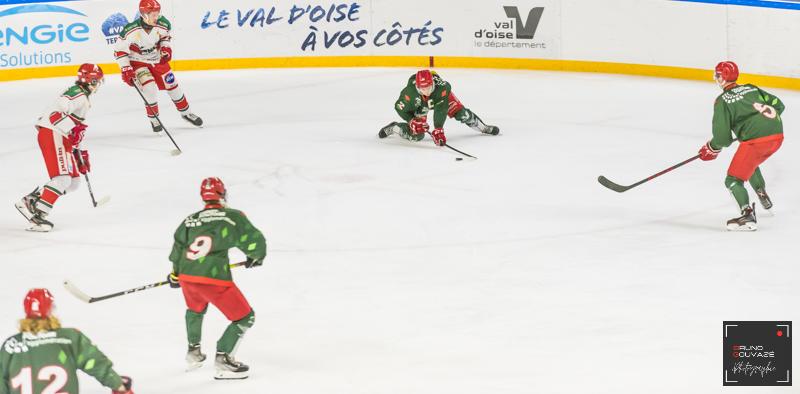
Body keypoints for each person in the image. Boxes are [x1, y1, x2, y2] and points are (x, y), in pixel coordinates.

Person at [167, 177, 267, 380]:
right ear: (223, 194)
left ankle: (193, 352)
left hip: (187, 276)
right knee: (244, 317)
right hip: (213, 279)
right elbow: (253, 239)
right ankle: (224, 358)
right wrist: (255, 257)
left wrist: (175, 274)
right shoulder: (231, 217)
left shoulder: (190, 220)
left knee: (195, 310)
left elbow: (178, 248)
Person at [14, 64, 104, 232]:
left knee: (73, 183)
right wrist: (72, 128)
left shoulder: (83, 96)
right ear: (91, 80)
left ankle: (33, 200)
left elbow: (77, 131)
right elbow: (58, 112)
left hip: (59, 136)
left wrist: (81, 156)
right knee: (62, 179)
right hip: (52, 133)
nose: (98, 84)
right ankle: (38, 215)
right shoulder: (78, 95)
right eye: (97, 80)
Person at [698, 61, 785, 231]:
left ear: (722, 78)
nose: (716, 78)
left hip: (756, 142)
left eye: (718, 75)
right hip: (777, 135)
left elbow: (722, 138)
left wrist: (711, 147)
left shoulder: (722, 101)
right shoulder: (752, 88)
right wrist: (761, 124)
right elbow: (779, 105)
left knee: (733, 180)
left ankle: (747, 215)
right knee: (750, 163)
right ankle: (761, 192)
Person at [0, 289, 133, 394]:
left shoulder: (11, 345)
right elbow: (95, 363)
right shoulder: (69, 338)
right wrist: (118, 385)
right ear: (51, 310)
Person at [114, 0, 203, 133]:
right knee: (149, 88)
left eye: (157, 14)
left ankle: (186, 113)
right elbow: (119, 51)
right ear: (144, 14)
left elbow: (164, 38)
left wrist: (166, 49)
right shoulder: (130, 30)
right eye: (153, 15)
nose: (157, 17)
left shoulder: (163, 24)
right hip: (138, 62)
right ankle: (154, 120)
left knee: (173, 86)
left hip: (157, 60)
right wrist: (126, 68)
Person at [379, 69, 499, 145]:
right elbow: (399, 108)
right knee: (416, 136)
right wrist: (411, 121)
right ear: (417, 88)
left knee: (462, 114)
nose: (426, 91)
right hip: (420, 105)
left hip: (438, 98)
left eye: (429, 87)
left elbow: (440, 109)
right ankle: (394, 128)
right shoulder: (409, 93)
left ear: (433, 83)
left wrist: (438, 129)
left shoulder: (442, 88)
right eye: (422, 89)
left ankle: (484, 128)